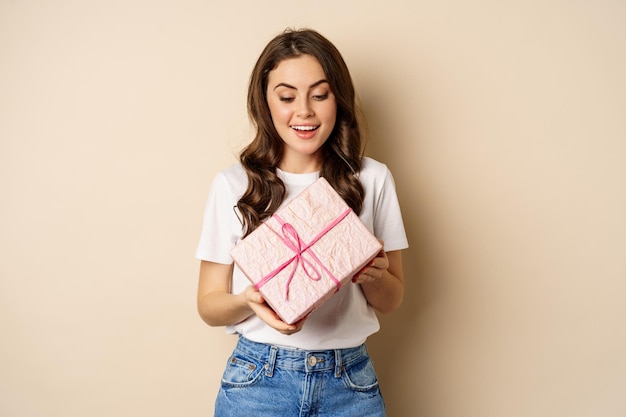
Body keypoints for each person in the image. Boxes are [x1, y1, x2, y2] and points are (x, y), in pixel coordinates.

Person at [195, 28, 408, 417]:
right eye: (287, 96)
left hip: (350, 383)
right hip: (258, 381)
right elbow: (208, 305)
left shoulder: (372, 178)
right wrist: (249, 301)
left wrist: (374, 275)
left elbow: (392, 300)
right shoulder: (233, 185)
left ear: (338, 100)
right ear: (266, 102)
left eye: (320, 94)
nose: (304, 111)